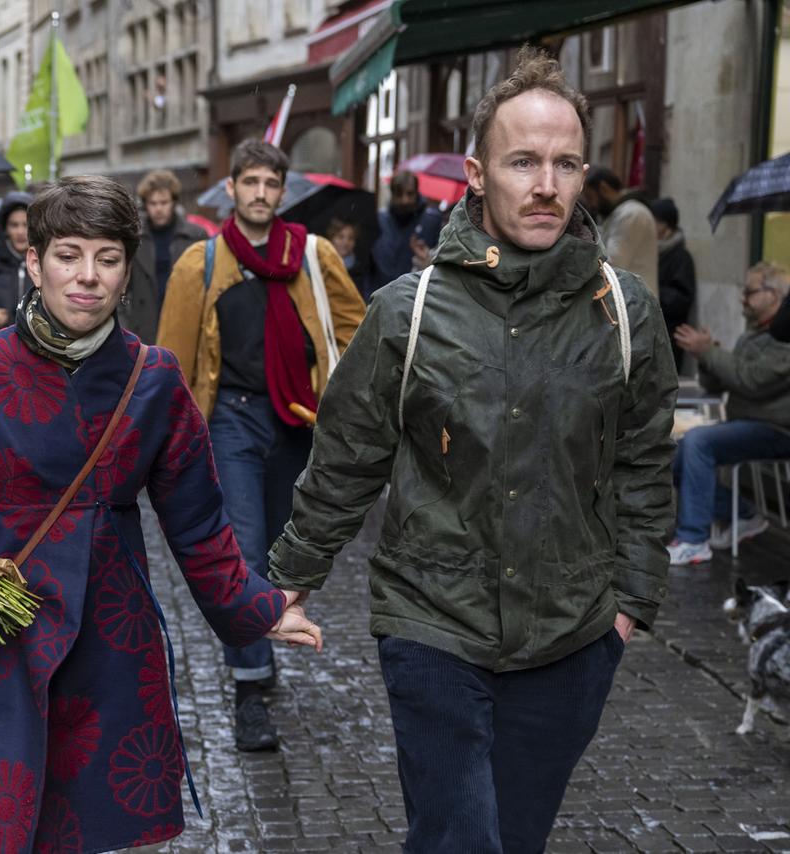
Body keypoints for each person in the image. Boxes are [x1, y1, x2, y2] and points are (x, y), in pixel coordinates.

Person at [267, 47, 676, 851]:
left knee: (514, 839)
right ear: (478, 173)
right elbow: (346, 460)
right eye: (523, 161)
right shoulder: (407, 312)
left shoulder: (622, 312)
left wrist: (630, 607)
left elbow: (643, 463)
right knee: (460, 838)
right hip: (434, 624)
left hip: (571, 633)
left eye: (564, 163)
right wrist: (289, 581)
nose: (546, 184)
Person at [0, 175, 322, 853]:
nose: (87, 277)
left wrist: (259, 607)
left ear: (127, 271)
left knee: (81, 829)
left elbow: (197, 525)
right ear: (33, 261)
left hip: (109, 637)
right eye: (68, 254)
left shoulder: (155, 379)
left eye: (107, 258)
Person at [157, 139, 365, 752]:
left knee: (280, 550)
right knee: (243, 552)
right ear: (232, 188)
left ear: (283, 190)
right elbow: (171, 359)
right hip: (231, 420)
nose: (259, 194)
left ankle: (259, 640)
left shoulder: (314, 256)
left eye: (270, 184)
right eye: (248, 182)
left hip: (299, 420)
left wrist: (345, 398)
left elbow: (357, 331)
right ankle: (249, 687)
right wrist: (171, 445)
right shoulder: (201, 263)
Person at [670, 263, 790, 563]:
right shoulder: (753, 333)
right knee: (672, 453)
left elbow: (751, 379)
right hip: (745, 422)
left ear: (774, 295)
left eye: (749, 291)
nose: (742, 298)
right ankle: (744, 514)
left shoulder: (784, 337)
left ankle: (694, 538)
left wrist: (710, 352)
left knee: (698, 442)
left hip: (775, 429)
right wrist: (707, 355)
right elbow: (724, 379)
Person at [121, 169, 206, 342]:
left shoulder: (195, 235)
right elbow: (121, 286)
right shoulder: (133, 236)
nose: (158, 208)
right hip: (143, 323)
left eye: (164, 202)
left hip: (183, 320)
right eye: (153, 203)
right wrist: (124, 325)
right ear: (146, 204)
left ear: (174, 202)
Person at [365, 170, 442, 301]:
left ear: (416, 192)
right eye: (399, 194)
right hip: (382, 300)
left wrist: (427, 259)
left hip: (417, 301)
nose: (404, 200)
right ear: (392, 194)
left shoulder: (431, 221)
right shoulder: (379, 221)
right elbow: (368, 266)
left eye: (409, 194)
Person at [581, 166, 659, 296]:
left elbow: (612, 264)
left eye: (590, 197)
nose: (592, 205)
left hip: (635, 303)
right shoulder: (618, 213)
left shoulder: (631, 214)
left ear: (603, 188)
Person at [650, 198, 697, 369]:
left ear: (666, 226)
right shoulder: (652, 251)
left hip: (668, 336)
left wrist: (652, 290)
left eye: (654, 222)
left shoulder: (680, 257)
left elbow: (682, 299)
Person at [0, 191, 33, 328]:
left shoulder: (45, 263)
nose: (20, 232)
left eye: (26, 225)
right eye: (14, 225)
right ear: (5, 228)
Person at [323, 217, 367, 297]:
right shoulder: (322, 265)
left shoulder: (360, 270)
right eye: (340, 237)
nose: (346, 242)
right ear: (331, 238)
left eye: (351, 238)